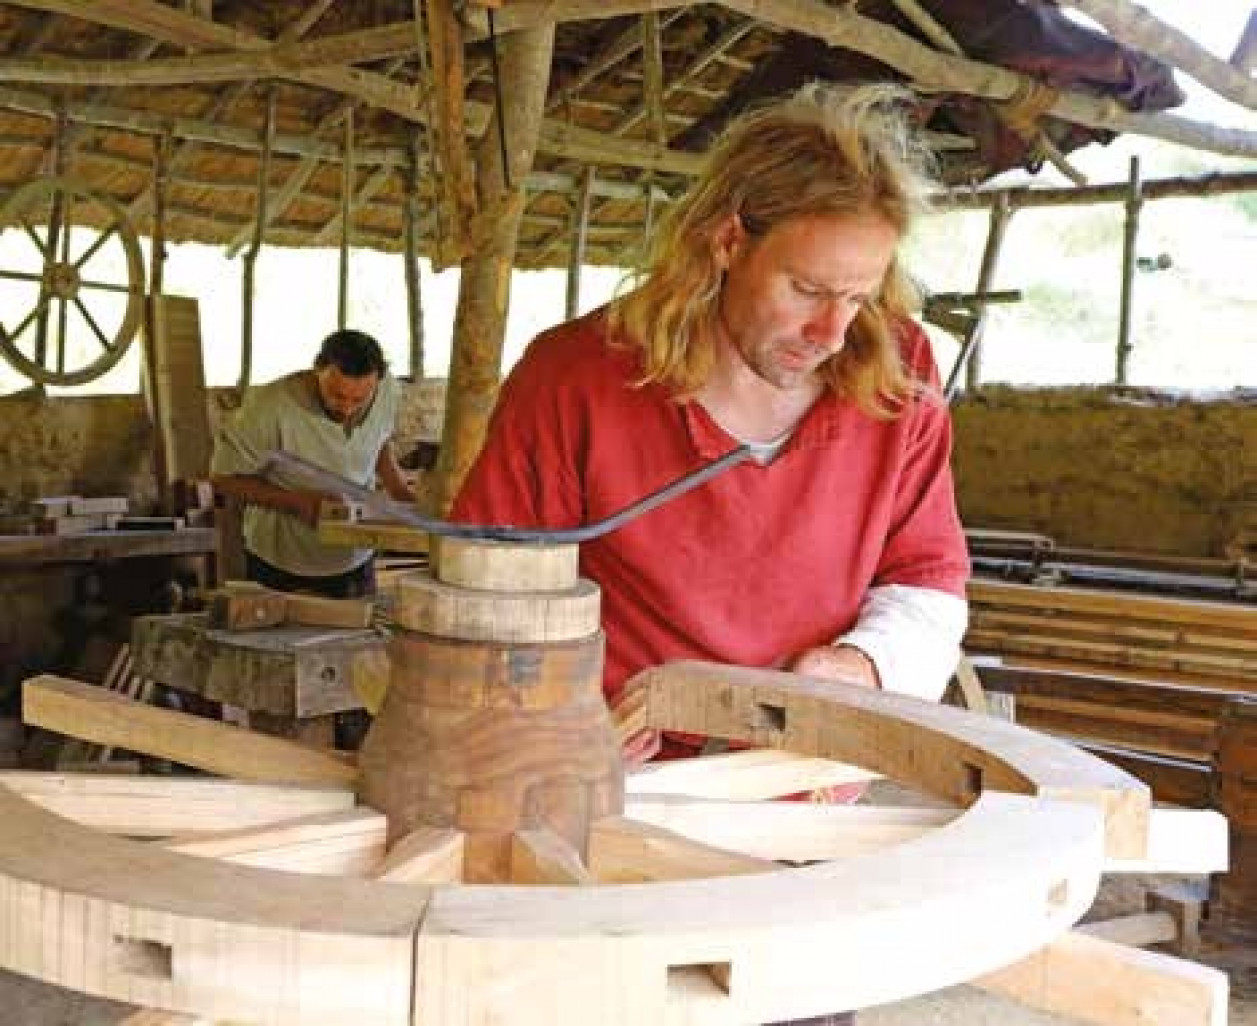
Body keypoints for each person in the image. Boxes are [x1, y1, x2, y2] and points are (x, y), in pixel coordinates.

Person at [453, 86, 969, 1023]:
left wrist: (857, 668)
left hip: (804, 799)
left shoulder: (895, 370)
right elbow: (491, 591)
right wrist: (560, 723)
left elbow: (928, 578)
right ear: (727, 241)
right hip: (617, 802)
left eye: (857, 296)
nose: (830, 333)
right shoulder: (577, 375)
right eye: (806, 290)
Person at [211, 328, 414, 598]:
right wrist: (297, 502)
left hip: (356, 559)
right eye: (337, 395)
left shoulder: (387, 390)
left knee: (357, 636)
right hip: (281, 563)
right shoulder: (269, 406)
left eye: (359, 400)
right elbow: (223, 478)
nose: (347, 408)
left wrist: (399, 489)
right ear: (317, 369)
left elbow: (377, 438)